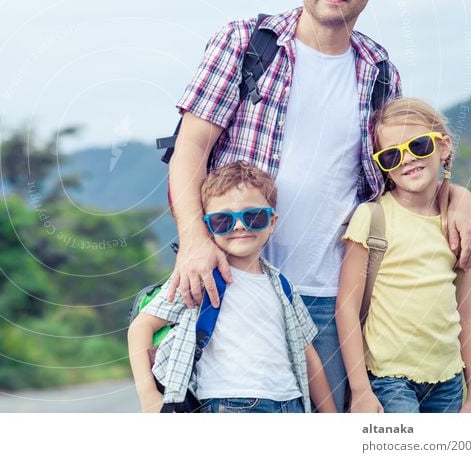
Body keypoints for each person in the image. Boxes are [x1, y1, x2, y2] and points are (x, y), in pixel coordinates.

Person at [165, 0, 471, 411]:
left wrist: (457, 196)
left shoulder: (379, 69)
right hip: (235, 281)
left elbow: (401, 170)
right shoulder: (247, 43)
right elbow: (191, 148)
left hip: (335, 298)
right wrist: (192, 239)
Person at [128, 161, 336, 413]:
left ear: (272, 222)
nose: (239, 225)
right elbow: (141, 326)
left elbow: (307, 354)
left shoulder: (283, 286)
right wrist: (148, 396)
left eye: (254, 217)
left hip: (290, 403)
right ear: (207, 226)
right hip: (227, 404)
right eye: (222, 220)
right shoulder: (200, 278)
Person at [336, 98, 471, 413]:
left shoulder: (453, 223)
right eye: (391, 155)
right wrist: (361, 389)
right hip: (389, 379)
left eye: (418, 146)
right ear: (382, 164)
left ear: (442, 147)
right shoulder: (372, 218)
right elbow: (346, 309)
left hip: (448, 379)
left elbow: (467, 314)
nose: (407, 160)